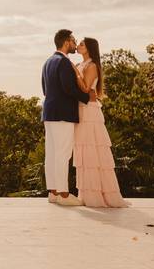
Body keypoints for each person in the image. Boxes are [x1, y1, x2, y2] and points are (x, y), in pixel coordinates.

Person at [70, 37, 130, 208]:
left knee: (92, 151)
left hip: (89, 111)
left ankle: (98, 195)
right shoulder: (82, 65)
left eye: (81, 44)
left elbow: (86, 88)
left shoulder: (92, 66)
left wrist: (75, 72)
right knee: (84, 151)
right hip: (81, 109)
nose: (79, 46)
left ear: (89, 48)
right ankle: (87, 193)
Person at [42, 29, 97, 206]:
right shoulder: (64, 62)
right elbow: (68, 89)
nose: (74, 44)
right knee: (63, 153)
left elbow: (45, 89)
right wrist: (87, 97)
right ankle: (64, 195)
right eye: (73, 41)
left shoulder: (48, 61)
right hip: (63, 114)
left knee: (51, 153)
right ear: (66, 42)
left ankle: (53, 192)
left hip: (49, 113)